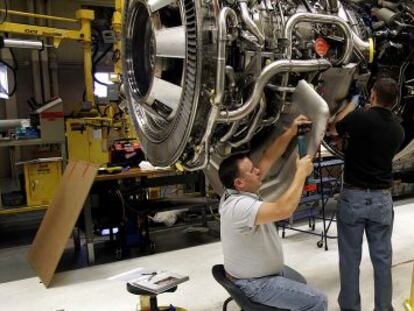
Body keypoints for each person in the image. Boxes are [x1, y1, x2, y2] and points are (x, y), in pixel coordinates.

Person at [218, 115, 328, 311]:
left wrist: (291, 131)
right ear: (240, 183)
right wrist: (300, 173)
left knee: (302, 285)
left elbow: (269, 156)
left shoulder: (235, 191)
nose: (258, 171)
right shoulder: (238, 207)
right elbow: (283, 209)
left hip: (260, 275)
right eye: (253, 171)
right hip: (255, 283)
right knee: (317, 300)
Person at [330, 77, 405, 311]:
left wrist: (352, 104)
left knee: (350, 258)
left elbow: (334, 127)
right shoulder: (398, 130)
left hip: (354, 197)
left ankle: (351, 308)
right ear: (394, 102)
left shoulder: (359, 117)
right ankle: (383, 308)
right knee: (382, 260)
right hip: (382, 199)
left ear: (372, 95)